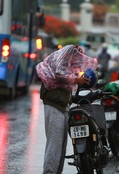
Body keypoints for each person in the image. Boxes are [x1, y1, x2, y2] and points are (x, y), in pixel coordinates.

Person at [36, 44, 98, 174]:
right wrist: (76, 79)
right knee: (55, 145)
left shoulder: (67, 57)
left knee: (61, 146)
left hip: (62, 104)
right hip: (54, 104)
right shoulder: (65, 57)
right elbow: (59, 73)